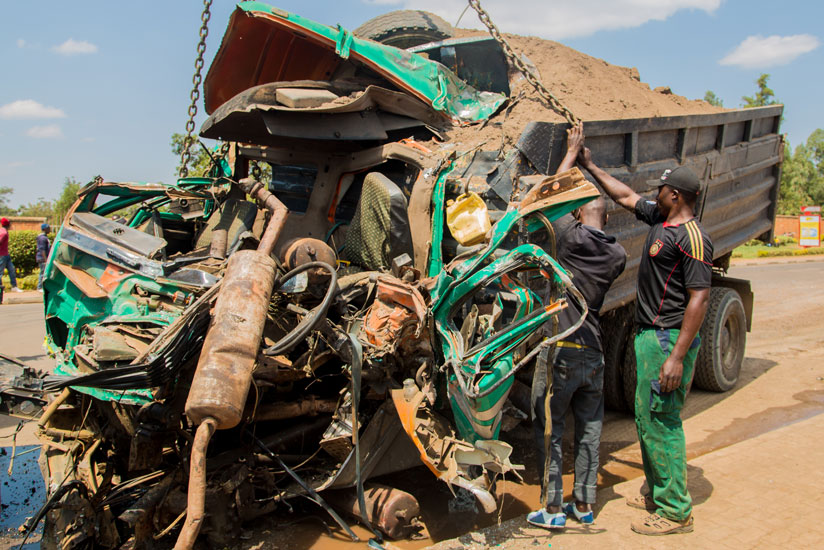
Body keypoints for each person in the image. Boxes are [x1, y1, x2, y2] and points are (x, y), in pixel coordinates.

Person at [575, 135, 712, 536]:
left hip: (668, 339)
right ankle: (657, 491)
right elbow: (627, 197)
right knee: (646, 417)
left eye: (662, 191)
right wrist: (590, 165)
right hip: (650, 336)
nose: (656, 195)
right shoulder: (663, 220)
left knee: (663, 421)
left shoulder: (692, 238)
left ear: (675, 195)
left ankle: (675, 512)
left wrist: (676, 356)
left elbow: (700, 298)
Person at [527, 124, 627, 530]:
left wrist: (570, 155)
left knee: (550, 430)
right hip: (594, 353)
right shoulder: (617, 254)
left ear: (581, 216)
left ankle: (551, 511)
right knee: (589, 432)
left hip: (562, 349)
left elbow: (545, 198)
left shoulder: (569, 239)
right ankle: (583, 505)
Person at [0, 217, 23, 293]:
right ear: (7, 224)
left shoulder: (4, 231)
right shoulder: (3, 233)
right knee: (1, 272)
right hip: (2, 255)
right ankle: (1, 289)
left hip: (6, 254)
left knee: (12, 270)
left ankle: (14, 286)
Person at [36, 223, 51, 292]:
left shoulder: (45, 237)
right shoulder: (42, 238)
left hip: (43, 258)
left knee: (44, 272)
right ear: (44, 229)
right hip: (42, 258)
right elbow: (42, 250)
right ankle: (39, 287)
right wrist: (45, 260)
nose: (49, 229)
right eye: (48, 228)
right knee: (43, 272)